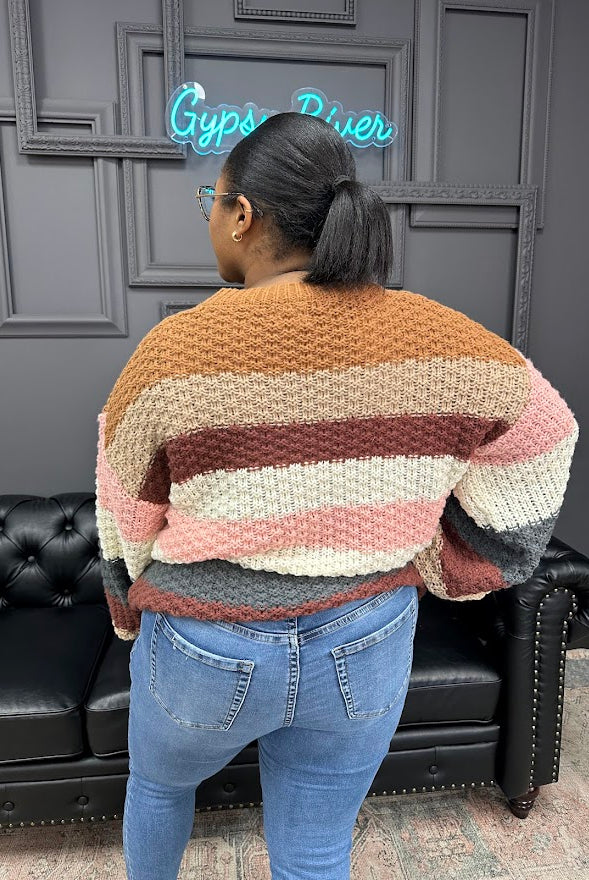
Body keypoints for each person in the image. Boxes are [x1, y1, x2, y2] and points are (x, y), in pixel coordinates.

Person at [94, 111, 579, 880]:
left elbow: (124, 516)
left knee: (157, 788)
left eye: (210, 202)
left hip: (204, 646)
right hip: (366, 631)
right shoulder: (443, 339)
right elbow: (546, 433)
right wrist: (457, 557)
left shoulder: (175, 352)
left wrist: (127, 614)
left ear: (243, 214)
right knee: (316, 844)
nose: (211, 220)